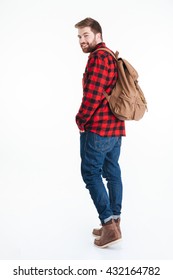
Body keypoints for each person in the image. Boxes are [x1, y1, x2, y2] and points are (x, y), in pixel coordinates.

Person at [74, 17, 126, 248]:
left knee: (91, 174)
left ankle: (108, 226)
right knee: (112, 172)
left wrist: (80, 118)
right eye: (79, 37)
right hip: (115, 128)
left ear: (98, 35)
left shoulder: (98, 58)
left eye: (85, 35)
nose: (81, 40)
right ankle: (115, 223)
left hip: (98, 129)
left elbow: (93, 95)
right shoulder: (112, 57)